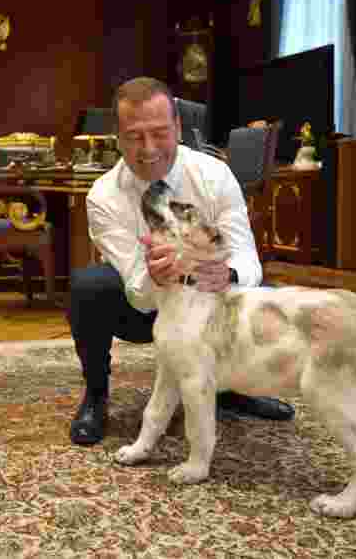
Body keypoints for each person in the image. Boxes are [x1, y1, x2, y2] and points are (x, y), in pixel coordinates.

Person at [69, 76, 296, 445]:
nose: (148, 149)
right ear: (117, 136)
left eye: (160, 133)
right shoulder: (103, 196)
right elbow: (137, 294)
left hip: (212, 301)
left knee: (268, 296)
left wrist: (226, 272)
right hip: (148, 311)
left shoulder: (214, 175)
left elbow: (248, 261)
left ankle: (229, 388)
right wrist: (156, 277)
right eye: (134, 136)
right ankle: (96, 394)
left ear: (178, 126)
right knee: (87, 288)